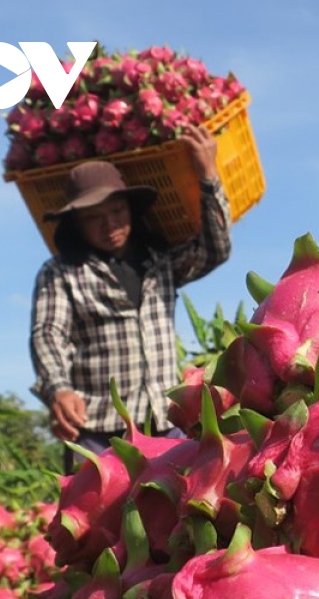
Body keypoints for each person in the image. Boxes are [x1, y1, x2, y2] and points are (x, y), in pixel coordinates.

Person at [29, 125, 231, 474]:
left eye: (117, 212)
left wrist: (208, 176)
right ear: (76, 224)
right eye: (93, 217)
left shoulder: (160, 263)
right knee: (95, 526)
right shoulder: (61, 272)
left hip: (163, 421)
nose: (109, 225)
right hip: (96, 429)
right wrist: (58, 389)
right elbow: (48, 333)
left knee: (171, 522)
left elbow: (215, 249)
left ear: (131, 211)